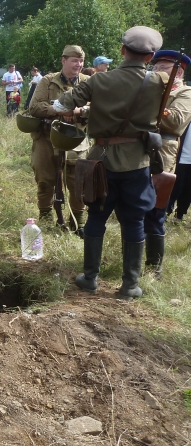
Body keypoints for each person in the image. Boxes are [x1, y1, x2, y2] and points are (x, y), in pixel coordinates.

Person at [55, 26, 168, 300]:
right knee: (134, 220)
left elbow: (60, 106)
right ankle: (130, 286)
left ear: (122, 51)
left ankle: (90, 278)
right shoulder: (159, 81)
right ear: (150, 55)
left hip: (100, 161)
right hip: (137, 163)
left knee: (96, 217)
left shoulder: (98, 80)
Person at [28, 45, 91, 233]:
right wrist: (59, 110)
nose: (78, 65)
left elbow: (98, 107)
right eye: (74, 60)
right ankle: (46, 216)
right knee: (45, 179)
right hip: (47, 138)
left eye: (81, 61)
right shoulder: (48, 81)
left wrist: (78, 111)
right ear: (64, 61)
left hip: (76, 140)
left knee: (77, 181)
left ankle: (77, 220)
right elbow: (35, 107)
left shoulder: (89, 81)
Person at [143, 50, 191, 275]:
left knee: (156, 206)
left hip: (163, 152)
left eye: (162, 68)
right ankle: (132, 262)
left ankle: (154, 268)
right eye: (155, 68)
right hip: (137, 149)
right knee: (135, 205)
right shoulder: (149, 88)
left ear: (178, 72)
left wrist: (151, 103)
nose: (156, 72)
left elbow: (175, 121)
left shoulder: (185, 92)